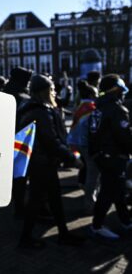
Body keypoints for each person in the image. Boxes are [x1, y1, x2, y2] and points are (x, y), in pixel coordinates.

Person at [17, 74, 85, 249]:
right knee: (37, 201)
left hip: (40, 162)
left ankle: (62, 233)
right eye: (52, 89)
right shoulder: (41, 112)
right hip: (43, 164)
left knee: (50, 199)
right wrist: (71, 158)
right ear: (44, 91)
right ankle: (26, 238)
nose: (54, 92)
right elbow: (51, 140)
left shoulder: (31, 108)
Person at [88, 74, 132, 239]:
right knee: (107, 192)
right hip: (114, 157)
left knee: (117, 190)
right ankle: (97, 225)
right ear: (116, 90)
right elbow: (125, 137)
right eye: (121, 90)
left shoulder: (98, 107)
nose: (123, 94)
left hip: (102, 157)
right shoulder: (117, 109)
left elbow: (92, 135)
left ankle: (125, 221)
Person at [2, 67, 33, 219]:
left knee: (14, 178)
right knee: (20, 178)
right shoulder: (23, 97)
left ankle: (16, 206)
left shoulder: (3, 93)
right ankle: (20, 208)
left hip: (6, 140)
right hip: (21, 141)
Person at [67, 80, 99, 213]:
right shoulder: (92, 108)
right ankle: (90, 204)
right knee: (93, 174)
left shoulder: (79, 107)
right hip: (87, 145)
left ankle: (89, 198)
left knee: (88, 172)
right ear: (92, 95)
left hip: (78, 143)